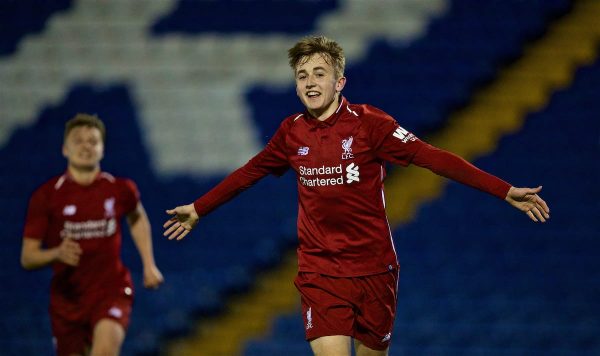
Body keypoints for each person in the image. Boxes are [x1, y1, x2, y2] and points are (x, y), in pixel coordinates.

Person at [163, 36, 550, 356]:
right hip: (320, 271)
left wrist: (504, 191)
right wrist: (199, 208)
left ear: (340, 82)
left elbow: (433, 158)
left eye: (320, 73)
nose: (310, 83)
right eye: (302, 76)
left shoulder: (371, 125)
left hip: (374, 270)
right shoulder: (291, 133)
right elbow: (250, 172)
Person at [21, 114, 164, 356]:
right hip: (67, 301)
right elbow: (28, 257)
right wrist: (56, 253)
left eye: (93, 141)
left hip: (111, 291)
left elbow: (137, 217)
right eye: (78, 140)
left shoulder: (119, 189)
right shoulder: (46, 196)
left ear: (103, 150)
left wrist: (149, 264)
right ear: (65, 149)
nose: (86, 146)